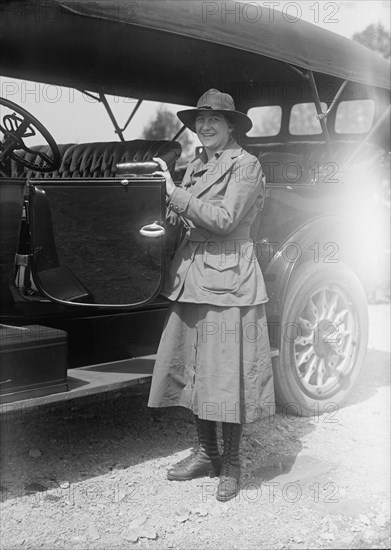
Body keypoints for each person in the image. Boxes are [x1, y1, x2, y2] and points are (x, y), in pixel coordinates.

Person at [148, 89, 275, 502]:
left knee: (227, 376)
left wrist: (175, 194)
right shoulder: (196, 164)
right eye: (199, 121)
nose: (204, 127)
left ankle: (233, 464)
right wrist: (167, 201)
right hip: (193, 275)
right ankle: (206, 452)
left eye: (213, 121)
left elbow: (224, 219)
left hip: (230, 281)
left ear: (231, 126)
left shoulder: (247, 166)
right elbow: (184, 216)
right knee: (195, 369)